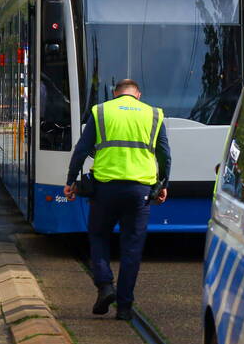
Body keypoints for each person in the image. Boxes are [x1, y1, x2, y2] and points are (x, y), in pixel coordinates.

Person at [64, 79, 171, 321]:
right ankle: (124, 308)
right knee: (132, 248)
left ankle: (104, 285)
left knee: (99, 235)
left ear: (115, 94)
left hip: (105, 189)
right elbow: (164, 153)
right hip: (140, 191)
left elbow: (82, 149)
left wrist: (71, 181)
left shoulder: (101, 111)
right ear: (138, 95)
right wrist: (163, 184)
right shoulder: (153, 114)